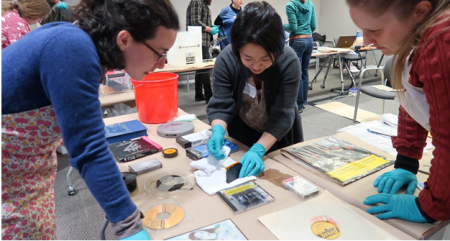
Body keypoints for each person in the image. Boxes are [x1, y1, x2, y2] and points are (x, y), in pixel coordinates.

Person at [1, 0, 179, 240]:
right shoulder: (72, 47)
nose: (162, 64)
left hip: (27, 176)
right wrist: (128, 226)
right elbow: (88, 149)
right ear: (124, 39)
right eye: (160, 53)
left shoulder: (80, 45)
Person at [347, 0, 450, 223]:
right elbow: (412, 98)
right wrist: (407, 162)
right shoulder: (414, 38)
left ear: (420, 12)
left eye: (374, 30)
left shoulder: (441, 41)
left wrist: (430, 207)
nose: (366, 41)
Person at [207, 1, 304, 178]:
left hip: (279, 137)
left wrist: (259, 149)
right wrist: (218, 130)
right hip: (243, 132)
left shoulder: (288, 61)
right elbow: (221, 104)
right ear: (238, 50)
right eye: (248, 58)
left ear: (278, 49)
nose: (257, 66)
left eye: (266, 58)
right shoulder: (226, 59)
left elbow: (283, 114)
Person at [284, 0, 316, 113]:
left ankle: (299, 105)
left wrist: (282, 25)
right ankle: (303, 101)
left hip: (297, 41)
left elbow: (293, 27)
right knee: (305, 72)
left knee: (297, 73)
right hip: (309, 39)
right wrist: (306, 33)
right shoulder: (310, 4)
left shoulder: (291, 5)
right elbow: (314, 26)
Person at [186, 0, 218, 104]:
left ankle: (199, 94)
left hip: (204, 40)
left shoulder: (204, 4)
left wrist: (211, 27)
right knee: (205, 68)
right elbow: (195, 21)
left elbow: (202, 22)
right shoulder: (197, 1)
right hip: (198, 41)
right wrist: (209, 29)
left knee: (200, 68)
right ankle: (209, 97)